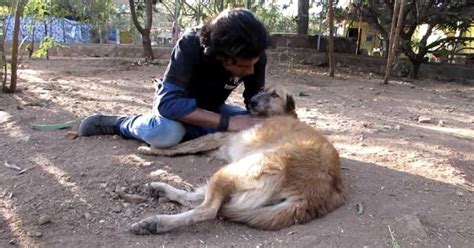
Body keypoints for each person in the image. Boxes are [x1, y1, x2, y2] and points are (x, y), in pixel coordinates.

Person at [78, 8, 271, 148]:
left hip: (211, 109)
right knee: (167, 134)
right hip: (176, 109)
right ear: (220, 56)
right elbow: (168, 104)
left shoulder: (255, 55)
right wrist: (228, 123)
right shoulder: (190, 44)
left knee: (262, 125)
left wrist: (264, 120)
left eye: (254, 63)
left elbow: (255, 105)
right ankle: (121, 124)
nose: (251, 71)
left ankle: (193, 131)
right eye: (243, 66)